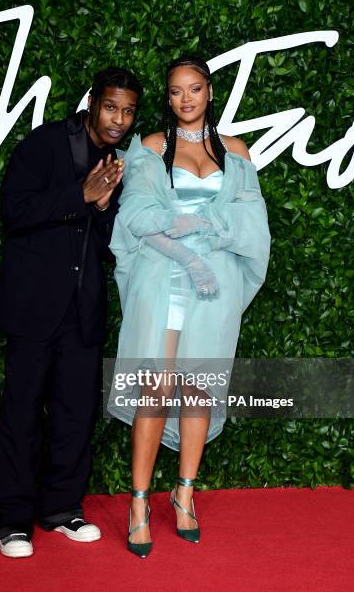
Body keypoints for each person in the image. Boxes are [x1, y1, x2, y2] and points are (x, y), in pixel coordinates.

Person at [107, 56, 271, 558]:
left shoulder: (237, 153)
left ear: (209, 92)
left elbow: (252, 226)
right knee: (153, 391)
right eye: (176, 91)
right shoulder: (151, 149)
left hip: (213, 291)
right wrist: (189, 251)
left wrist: (199, 227)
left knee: (199, 389)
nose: (186, 99)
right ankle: (139, 504)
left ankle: (184, 493)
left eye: (194, 88)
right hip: (162, 286)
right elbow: (138, 217)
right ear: (168, 96)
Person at [0, 66, 142, 558]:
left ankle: (61, 509)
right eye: (112, 106)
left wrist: (101, 212)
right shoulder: (44, 144)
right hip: (33, 307)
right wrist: (80, 196)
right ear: (93, 103)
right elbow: (14, 211)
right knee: (22, 413)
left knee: (77, 416)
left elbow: (105, 246)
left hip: (82, 311)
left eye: (129, 111)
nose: (119, 119)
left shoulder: (119, 164)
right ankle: (13, 520)